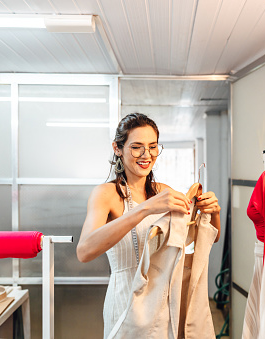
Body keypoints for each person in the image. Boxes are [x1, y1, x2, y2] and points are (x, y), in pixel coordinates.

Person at [76, 113, 221, 338]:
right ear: (117, 148)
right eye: (137, 147)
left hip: (163, 299)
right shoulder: (106, 194)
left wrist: (213, 212)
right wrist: (145, 208)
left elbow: (205, 237)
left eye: (153, 146)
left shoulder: (165, 191)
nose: (146, 155)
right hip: (125, 298)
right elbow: (84, 251)